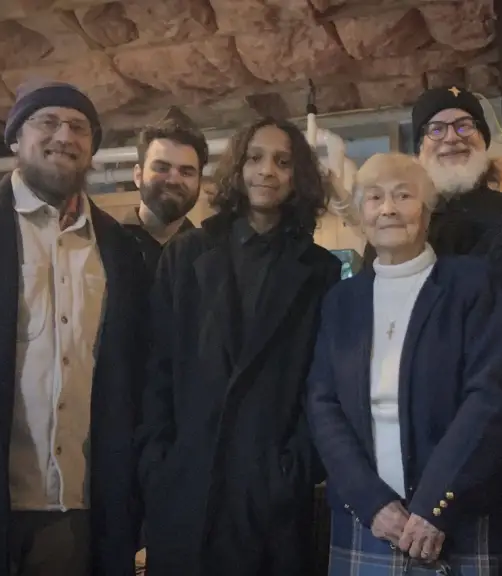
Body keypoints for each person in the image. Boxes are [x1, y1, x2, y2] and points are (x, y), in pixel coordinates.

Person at [365, 86, 502, 575]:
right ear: (420, 147)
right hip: (413, 456)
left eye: (464, 125)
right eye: (436, 128)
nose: (451, 138)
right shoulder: (397, 229)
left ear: (484, 138)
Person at [0, 81, 148, 576]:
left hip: (76, 510)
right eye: (47, 122)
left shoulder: (123, 252)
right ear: (16, 138)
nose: (65, 135)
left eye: (79, 127)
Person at [138, 117, 343, 576]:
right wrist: (158, 462)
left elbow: (322, 380)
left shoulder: (321, 271)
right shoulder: (187, 252)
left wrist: (294, 468)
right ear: (237, 168)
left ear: (298, 176)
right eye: (254, 158)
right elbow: (158, 366)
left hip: (270, 489)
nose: (266, 171)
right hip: (185, 482)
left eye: (283, 161)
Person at [308, 152, 502, 575]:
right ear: (361, 212)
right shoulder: (341, 301)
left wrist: (433, 506)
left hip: (461, 513)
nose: (388, 208)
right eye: (374, 197)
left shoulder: (471, 283)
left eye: (403, 196)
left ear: (426, 210)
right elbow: (322, 403)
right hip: (367, 520)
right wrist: (372, 503)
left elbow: (488, 397)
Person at [122, 119, 209, 278]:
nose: (174, 180)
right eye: (162, 168)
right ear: (138, 175)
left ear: (199, 183)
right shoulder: (105, 246)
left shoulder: (210, 257)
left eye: (186, 172)